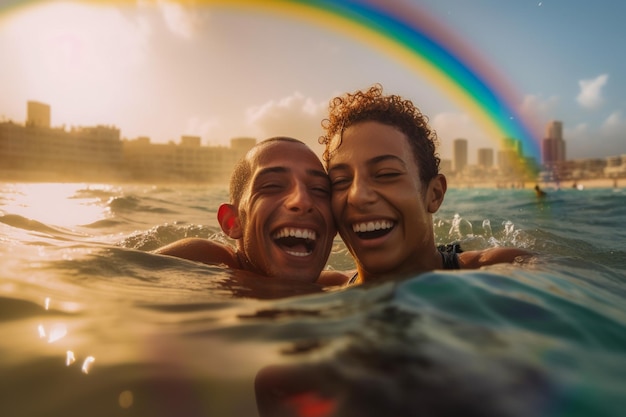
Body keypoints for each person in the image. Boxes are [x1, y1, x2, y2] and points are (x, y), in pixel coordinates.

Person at [319, 84, 533, 284]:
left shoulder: (506, 270)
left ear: (434, 194)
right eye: (340, 181)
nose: (357, 195)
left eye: (385, 174)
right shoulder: (316, 289)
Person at [153, 137, 346, 286]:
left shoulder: (339, 287)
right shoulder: (204, 261)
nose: (302, 200)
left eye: (320, 189)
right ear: (232, 222)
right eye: (272, 186)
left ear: (334, 224)